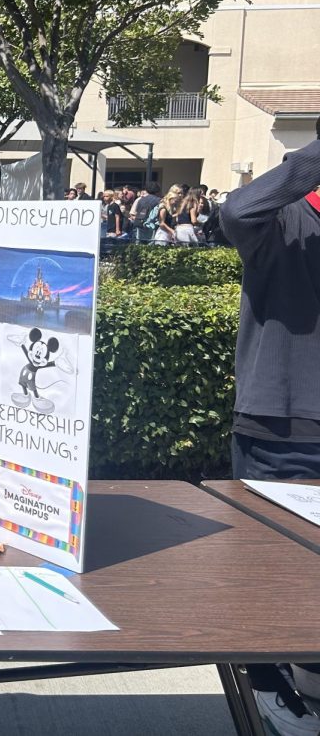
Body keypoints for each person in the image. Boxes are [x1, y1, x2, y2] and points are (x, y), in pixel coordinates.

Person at [220, 131, 320, 733]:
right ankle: (270, 682)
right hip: (279, 431)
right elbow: (234, 209)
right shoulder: (278, 222)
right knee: (268, 572)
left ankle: (307, 672)